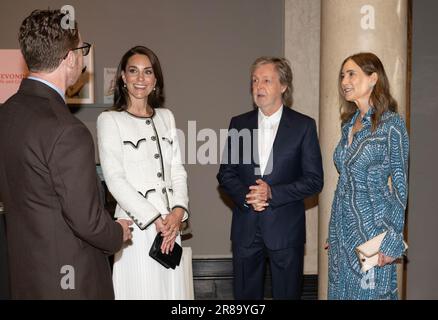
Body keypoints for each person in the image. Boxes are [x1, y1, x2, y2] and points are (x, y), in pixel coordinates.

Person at [0, 9, 132, 299]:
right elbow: (86, 221)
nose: (83, 57)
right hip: (71, 284)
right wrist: (117, 233)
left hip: (23, 278)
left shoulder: (6, 114)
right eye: (82, 49)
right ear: (70, 58)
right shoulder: (68, 131)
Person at [217, 57, 323, 299]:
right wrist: (248, 196)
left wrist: (272, 193)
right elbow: (226, 173)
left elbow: (314, 180)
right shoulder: (239, 123)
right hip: (245, 227)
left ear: (283, 86)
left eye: (266, 80)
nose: (258, 87)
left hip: (286, 230)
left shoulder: (304, 126)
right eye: (254, 81)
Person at [97, 46, 190, 299]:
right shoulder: (109, 120)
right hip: (136, 231)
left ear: (155, 79)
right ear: (123, 78)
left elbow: (177, 170)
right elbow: (115, 180)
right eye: (133, 71)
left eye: (147, 72)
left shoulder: (166, 117)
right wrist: (155, 218)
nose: (141, 78)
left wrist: (178, 213)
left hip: (171, 228)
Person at [327, 52, 409, 300]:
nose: (344, 81)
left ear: (373, 78)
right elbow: (344, 184)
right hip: (342, 236)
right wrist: (334, 230)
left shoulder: (391, 124)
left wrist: (391, 241)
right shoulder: (347, 126)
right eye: (342, 75)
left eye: (352, 74)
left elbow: (401, 188)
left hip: (373, 234)